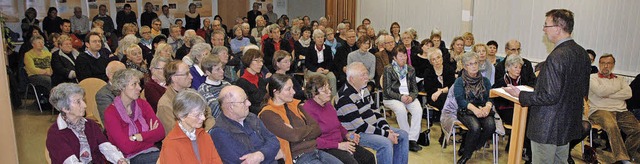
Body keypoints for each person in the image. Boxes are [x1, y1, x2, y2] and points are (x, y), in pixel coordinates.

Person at [504, 9, 590, 163]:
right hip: (566, 125)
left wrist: (520, 95)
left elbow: (549, 95)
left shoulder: (556, 57)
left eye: (546, 25)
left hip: (547, 126)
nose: (543, 29)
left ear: (557, 28)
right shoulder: (582, 53)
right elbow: (583, 89)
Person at [259, 74, 343, 164]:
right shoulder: (268, 114)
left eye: (292, 88)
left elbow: (317, 129)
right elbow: (294, 136)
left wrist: (297, 131)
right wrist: (305, 131)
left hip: (314, 150)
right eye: (288, 89)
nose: (294, 92)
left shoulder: (295, 105)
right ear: (276, 92)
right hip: (298, 156)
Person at [336, 62, 409, 164]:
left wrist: (386, 128)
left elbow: (375, 111)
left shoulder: (363, 88)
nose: (367, 77)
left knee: (403, 135)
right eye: (363, 75)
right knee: (386, 143)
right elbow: (361, 126)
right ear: (352, 79)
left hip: (371, 127)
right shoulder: (345, 97)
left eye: (367, 73)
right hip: (356, 133)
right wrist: (386, 134)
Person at [46, 83, 128, 164]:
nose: (84, 105)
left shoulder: (90, 124)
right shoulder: (55, 134)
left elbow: (105, 146)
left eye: (83, 100)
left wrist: (119, 159)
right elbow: (71, 162)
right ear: (65, 108)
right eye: (78, 102)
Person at [304, 74, 376, 164]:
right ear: (314, 93)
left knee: (369, 157)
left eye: (329, 88)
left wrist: (348, 135)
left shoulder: (327, 104)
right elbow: (313, 140)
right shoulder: (308, 110)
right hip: (326, 147)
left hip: (339, 142)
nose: (329, 92)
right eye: (324, 90)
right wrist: (338, 145)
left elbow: (338, 125)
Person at [587, 54, 640, 163]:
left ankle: (627, 154)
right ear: (599, 64)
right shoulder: (592, 78)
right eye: (603, 63)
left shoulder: (620, 79)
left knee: (637, 129)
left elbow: (628, 93)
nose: (605, 66)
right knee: (612, 126)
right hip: (599, 110)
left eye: (609, 63)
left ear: (613, 65)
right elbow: (600, 92)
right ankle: (622, 159)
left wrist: (607, 94)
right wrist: (616, 90)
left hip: (621, 111)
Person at [103, 69, 164, 163]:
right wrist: (150, 137)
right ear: (122, 87)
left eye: (139, 84)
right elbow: (126, 148)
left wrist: (138, 137)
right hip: (129, 159)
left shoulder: (142, 104)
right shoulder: (111, 113)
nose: (139, 88)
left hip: (151, 152)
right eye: (134, 84)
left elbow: (160, 132)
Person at [210, 85, 282, 164]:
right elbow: (244, 162)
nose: (249, 103)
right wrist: (272, 154)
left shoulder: (251, 117)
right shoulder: (219, 132)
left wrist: (261, 155)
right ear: (231, 107)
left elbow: (274, 141)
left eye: (247, 99)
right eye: (243, 101)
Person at [157, 89, 223, 163]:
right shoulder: (171, 144)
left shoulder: (204, 136)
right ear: (182, 116)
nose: (203, 118)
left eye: (203, 113)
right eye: (197, 115)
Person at [452, 52, 495, 164]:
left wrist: (487, 107)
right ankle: (466, 156)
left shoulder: (485, 81)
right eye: (470, 64)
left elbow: (491, 97)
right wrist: (475, 110)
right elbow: (461, 101)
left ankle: (471, 147)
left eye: (475, 63)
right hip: (466, 111)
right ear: (465, 67)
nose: (474, 66)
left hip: (482, 109)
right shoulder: (459, 81)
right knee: (475, 127)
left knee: (491, 126)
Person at [383, 45, 424, 152]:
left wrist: (411, 96)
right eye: (400, 56)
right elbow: (387, 90)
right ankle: (405, 136)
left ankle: (412, 139)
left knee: (418, 110)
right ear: (394, 58)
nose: (404, 58)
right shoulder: (388, 69)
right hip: (392, 97)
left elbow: (415, 89)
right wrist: (400, 97)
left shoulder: (410, 69)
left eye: (405, 55)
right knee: (401, 110)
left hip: (408, 96)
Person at [157, 60, 215, 135]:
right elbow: (176, 132)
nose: (191, 76)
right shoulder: (165, 104)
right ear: (174, 78)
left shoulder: (192, 93)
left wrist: (211, 132)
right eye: (186, 74)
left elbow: (208, 115)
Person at [491, 55, 533, 125]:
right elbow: (494, 96)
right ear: (508, 68)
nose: (518, 70)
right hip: (506, 109)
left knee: (531, 117)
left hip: (520, 107)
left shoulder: (523, 80)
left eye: (520, 67)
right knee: (521, 119)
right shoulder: (502, 81)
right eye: (515, 67)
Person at [234, 49, 268, 114]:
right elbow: (245, 106)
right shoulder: (241, 82)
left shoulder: (260, 79)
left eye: (261, 61)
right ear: (248, 61)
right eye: (257, 61)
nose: (261, 64)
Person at [96, 61, 126, 125]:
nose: (125, 76)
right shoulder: (103, 95)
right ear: (110, 75)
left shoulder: (130, 88)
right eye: (121, 73)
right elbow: (110, 121)